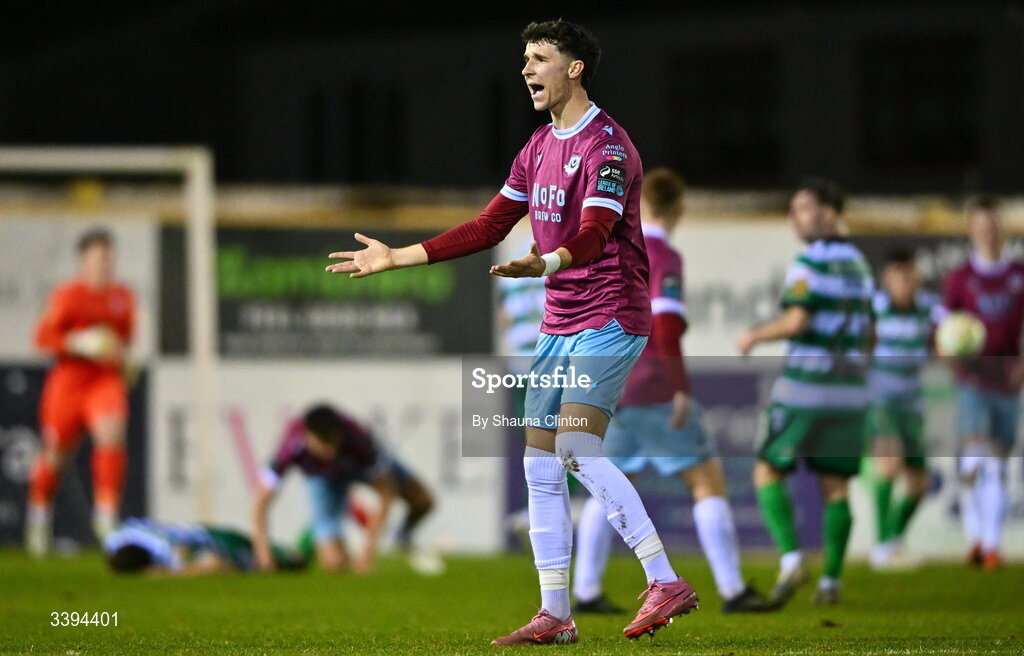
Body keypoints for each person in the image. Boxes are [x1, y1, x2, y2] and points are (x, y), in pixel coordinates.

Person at [327, 19, 698, 645]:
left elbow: (597, 233)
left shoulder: (609, 146)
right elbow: (489, 224)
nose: (526, 69)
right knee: (539, 465)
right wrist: (398, 256)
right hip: (559, 319)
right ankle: (555, 613)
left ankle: (664, 579)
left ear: (574, 68)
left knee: (577, 449)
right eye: (524, 58)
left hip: (611, 312)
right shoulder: (537, 146)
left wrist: (546, 263)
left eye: (540, 58)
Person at [572, 168, 771, 614]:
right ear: (680, 208)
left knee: (609, 487)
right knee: (706, 480)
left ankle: (585, 590)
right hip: (654, 387)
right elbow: (663, 324)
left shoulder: (613, 249)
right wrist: (679, 387)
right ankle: (734, 589)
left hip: (609, 386)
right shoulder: (663, 254)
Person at [736, 179, 873, 606]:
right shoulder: (860, 266)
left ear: (828, 213)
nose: (796, 218)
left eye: (804, 208)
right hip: (850, 392)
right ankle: (831, 581)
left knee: (766, 471)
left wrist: (756, 335)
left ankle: (793, 559)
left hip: (806, 389)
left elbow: (796, 322)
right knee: (836, 487)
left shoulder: (809, 262)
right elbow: (871, 335)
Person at [26, 228, 135, 556]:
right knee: (55, 454)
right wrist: (78, 341)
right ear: (84, 260)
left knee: (112, 432)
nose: (105, 264)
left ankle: (105, 517)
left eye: (109, 258)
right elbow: (42, 338)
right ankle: (39, 517)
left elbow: (124, 339)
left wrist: (122, 357)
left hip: (104, 380)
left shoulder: (122, 297)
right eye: (99, 257)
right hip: (69, 382)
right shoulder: (67, 295)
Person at [251, 404, 436, 574]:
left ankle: (402, 536)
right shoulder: (290, 446)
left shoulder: (358, 439)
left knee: (424, 500)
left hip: (358, 468)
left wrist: (368, 551)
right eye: (323, 445)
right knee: (333, 563)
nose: (330, 451)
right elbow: (261, 499)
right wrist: (262, 550)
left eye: (333, 442)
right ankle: (314, 547)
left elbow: (385, 493)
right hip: (323, 479)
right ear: (307, 438)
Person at [942, 196, 1024, 570]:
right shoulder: (959, 279)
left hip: (1008, 383)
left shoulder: (1019, 275)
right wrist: (951, 354)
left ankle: (982, 538)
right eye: (981, 226)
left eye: (993, 226)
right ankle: (988, 544)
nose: (988, 232)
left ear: (1002, 230)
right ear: (972, 231)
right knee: (981, 458)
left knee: (998, 464)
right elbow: (944, 331)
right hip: (972, 380)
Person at [866, 248, 941, 570]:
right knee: (888, 464)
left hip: (913, 402)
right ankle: (881, 546)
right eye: (897, 276)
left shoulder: (929, 309)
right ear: (886, 278)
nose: (904, 282)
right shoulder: (875, 309)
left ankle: (895, 540)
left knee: (918, 482)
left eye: (909, 275)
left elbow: (946, 339)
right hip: (879, 399)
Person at [104, 518, 306, 575]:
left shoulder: (171, 553)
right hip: (212, 533)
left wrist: (168, 574)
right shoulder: (121, 533)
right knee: (282, 557)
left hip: (223, 544)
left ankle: (312, 538)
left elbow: (218, 564)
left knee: (288, 564)